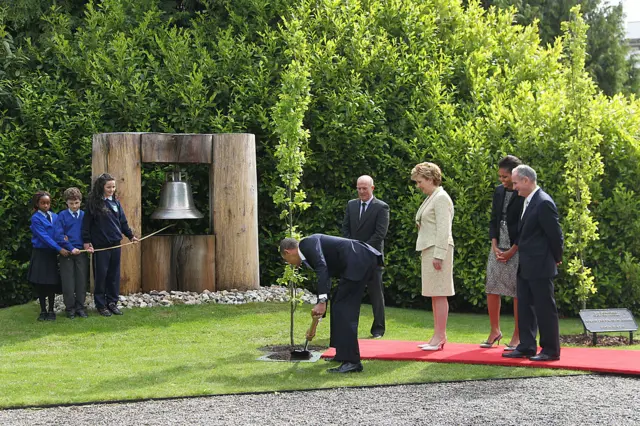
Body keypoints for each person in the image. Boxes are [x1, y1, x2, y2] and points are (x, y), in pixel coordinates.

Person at [280, 234, 383, 373]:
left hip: (359, 260)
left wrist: (322, 301)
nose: (291, 264)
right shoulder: (308, 251)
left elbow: (322, 268)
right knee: (337, 306)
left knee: (344, 309)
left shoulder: (306, 244)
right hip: (358, 262)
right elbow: (325, 275)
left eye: (287, 260)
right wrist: (320, 310)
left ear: (287, 252)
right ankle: (342, 354)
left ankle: (352, 362)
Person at [503, 165, 563, 362]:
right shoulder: (528, 201)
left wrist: (556, 257)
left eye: (516, 182)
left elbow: (555, 235)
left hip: (540, 265)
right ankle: (527, 346)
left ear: (527, 180)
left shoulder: (543, 202)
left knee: (544, 308)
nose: (515, 187)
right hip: (526, 264)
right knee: (525, 307)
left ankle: (550, 350)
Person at [481, 155, 524, 350]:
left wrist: (513, 250)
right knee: (491, 287)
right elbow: (493, 219)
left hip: (517, 247)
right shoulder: (498, 192)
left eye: (505, 176)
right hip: (498, 245)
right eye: (500, 176)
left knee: (517, 291)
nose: (502, 180)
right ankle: (494, 331)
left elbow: (524, 226)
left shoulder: (522, 192)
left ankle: (518, 334)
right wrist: (494, 245)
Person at [412, 162, 455, 351]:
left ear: (430, 179)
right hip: (429, 249)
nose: (418, 185)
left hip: (438, 250)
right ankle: (437, 336)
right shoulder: (432, 197)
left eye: (420, 181)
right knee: (434, 293)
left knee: (439, 292)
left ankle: (440, 337)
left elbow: (444, 229)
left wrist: (439, 255)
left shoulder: (441, 198)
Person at [82, 173, 138, 317]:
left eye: (113, 187)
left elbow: (123, 222)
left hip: (115, 245)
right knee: (101, 275)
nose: (112, 189)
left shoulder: (116, 203)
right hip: (101, 247)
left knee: (114, 275)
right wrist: (87, 242)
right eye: (109, 187)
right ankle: (101, 305)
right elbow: (86, 225)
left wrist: (130, 236)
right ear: (101, 187)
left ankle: (112, 302)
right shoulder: (93, 204)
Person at [341, 175, 389, 338]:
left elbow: (380, 234)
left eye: (364, 188)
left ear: (372, 188)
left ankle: (378, 329)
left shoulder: (381, 207)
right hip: (353, 257)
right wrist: (352, 249)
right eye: (359, 188)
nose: (361, 191)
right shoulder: (351, 205)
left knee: (376, 294)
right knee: (352, 294)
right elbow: (346, 229)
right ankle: (349, 328)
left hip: (372, 258)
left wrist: (363, 249)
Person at [27, 190, 74, 321]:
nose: (46, 205)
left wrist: (64, 239)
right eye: (43, 203)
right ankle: (43, 311)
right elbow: (44, 237)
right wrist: (60, 249)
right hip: (41, 253)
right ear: (37, 204)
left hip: (51, 254)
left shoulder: (55, 216)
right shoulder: (36, 218)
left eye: (48, 203)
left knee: (51, 282)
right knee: (41, 283)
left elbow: (59, 232)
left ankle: (51, 310)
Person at [56, 187, 91, 319]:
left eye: (76, 203)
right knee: (68, 282)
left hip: (81, 253)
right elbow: (59, 236)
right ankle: (70, 309)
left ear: (80, 202)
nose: (74, 206)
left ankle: (80, 308)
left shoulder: (84, 216)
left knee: (81, 281)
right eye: (71, 203)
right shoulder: (62, 216)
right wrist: (70, 247)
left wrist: (89, 245)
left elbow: (88, 233)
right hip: (67, 254)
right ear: (66, 203)